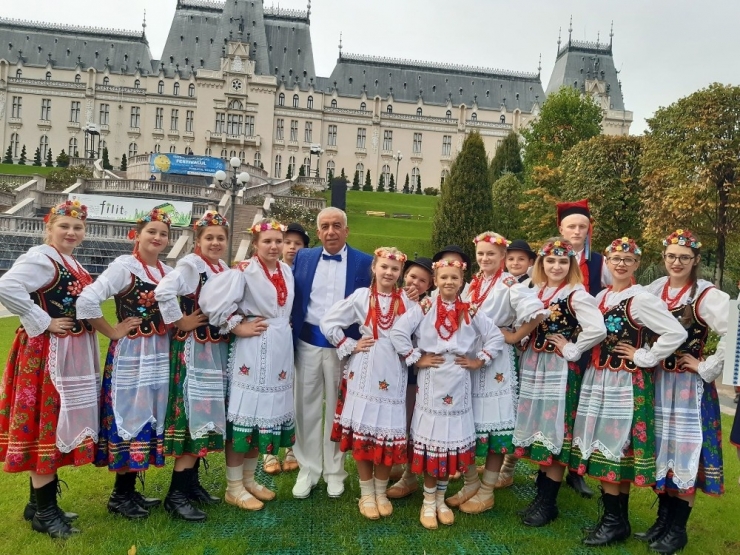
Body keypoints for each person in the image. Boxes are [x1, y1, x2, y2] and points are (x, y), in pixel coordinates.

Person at [570, 237, 688, 547]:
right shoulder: (600, 297)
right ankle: (616, 522)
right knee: (606, 447)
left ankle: (613, 523)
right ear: (606, 262)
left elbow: (675, 331)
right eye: (615, 258)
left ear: (636, 264)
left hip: (625, 381)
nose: (620, 263)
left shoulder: (641, 300)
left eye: (628, 259)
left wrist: (644, 356)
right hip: (599, 378)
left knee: (614, 444)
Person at [0, 201, 103, 538]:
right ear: (50, 228)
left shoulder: (66, 260)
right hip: (48, 353)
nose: (71, 232)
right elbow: (6, 286)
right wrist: (42, 321)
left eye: (77, 228)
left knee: (54, 419)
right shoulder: (41, 258)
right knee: (47, 423)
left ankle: (38, 505)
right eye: (64, 226)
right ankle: (45, 512)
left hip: (66, 351)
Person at [390, 256, 505, 530]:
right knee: (434, 440)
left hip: (459, 377)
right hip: (433, 377)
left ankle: (440, 499)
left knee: (450, 441)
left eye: (454, 277)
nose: (449, 282)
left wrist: (480, 359)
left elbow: (496, 336)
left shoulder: (471, 310)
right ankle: (428, 502)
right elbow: (398, 333)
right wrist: (416, 358)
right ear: (436, 280)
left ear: (462, 280)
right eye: (443, 277)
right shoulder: (425, 306)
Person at [77, 208, 173, 520]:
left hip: (159, 350)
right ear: (137, 234)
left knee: (149, 412)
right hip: (133, 352)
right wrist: (112, 330)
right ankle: (120, 496)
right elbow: (88, 300)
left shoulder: (165, 271)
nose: (157, 238)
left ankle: (130, 490)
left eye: (163, 234)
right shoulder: (125, 267)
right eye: (152, 232)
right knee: (130, 413)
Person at [641, 229, 728, 553]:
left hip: (689, 390)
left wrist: (706, 366)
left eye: (684, 258)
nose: (677, 262)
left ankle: (678, 529)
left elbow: (735, 329)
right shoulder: (653, 290)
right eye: (671, 256)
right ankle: (662, 521)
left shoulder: (705, 295)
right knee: (662, 449)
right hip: (659, 383)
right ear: (664, 258)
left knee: (686, 452)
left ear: (695, 261)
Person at [509, 238, 606, 527]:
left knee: (555, 428)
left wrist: (572, 348)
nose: (556, 266)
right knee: (539, 425)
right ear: (541, 264)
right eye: (550, 261)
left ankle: (548, 503)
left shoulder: (576, 295)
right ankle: (541, 498)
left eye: (563, 261)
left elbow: (597, 329)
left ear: (571, 265)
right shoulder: (535, 290)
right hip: (533, 365)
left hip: (558, 368)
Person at [199, 219, 295, 511]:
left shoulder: (286, 270)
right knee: (246, 415)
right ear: (256, 244)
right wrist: (235, 325)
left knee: (263, 417)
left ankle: (249, 480)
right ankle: (233, 487)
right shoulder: (243, 270)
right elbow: (211, 302)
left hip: (280, 349)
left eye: (278, 241)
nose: (274, 246)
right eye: (267, 241)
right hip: (253, 349)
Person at [444, 232, 538, 515]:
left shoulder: (508, 282)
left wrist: (514, 336)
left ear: (502, 257)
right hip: (470, 355)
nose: (485, 259)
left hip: (496, 360)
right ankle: (471, 482)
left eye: (491, 255)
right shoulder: (473, 283)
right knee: (467, 417)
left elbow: (536, 312)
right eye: (481, 254)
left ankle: (487, 490)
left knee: (494, 423)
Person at [320, 247, 411, 519]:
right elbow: (329, 322)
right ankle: (366, 492)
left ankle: (381, 491)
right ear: (374, 268)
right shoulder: (362, 297)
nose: (388, 272)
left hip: (393, 371)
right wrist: (349, 343)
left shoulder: (407, 301)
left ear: (400, 274)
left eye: (394, 269)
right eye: (384, 267)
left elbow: (422, 329)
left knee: (386, 433)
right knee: (364, 431)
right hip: (365, 367)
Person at [153, 211, 231, 521]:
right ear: (197, 241)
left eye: (220, 238)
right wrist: (179, 320)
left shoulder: (222, 268)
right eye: (209, 237)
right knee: (192, 416)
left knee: (206, 414)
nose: (215, 242)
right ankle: (176, 494)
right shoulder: (190, 266)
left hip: (214, 350)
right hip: (194, 350)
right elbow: (163, 291)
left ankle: (192, 483)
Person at [290, 207, 373, 499]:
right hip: (308, 342)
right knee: (306, 406)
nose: (330, 231)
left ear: (347, 230)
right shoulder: (303, 257)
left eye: (337, 225)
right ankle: (308, 469)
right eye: (324, 226)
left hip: (345, 348)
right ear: (318, 231)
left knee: (339, 411)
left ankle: (335, 471)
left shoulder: (366, 262)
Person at [556, 199, 611, 498]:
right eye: (572, 226)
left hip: (585, 346)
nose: (577, 231)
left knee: (579, 408)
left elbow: (618, 293)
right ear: (561, 228)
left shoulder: (600, 262)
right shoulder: (551, 257)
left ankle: (574, 470)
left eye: (582, 227)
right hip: (551, 347)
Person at [263, 222, 309, 476]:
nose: (291, 247)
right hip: (270, 340)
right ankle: (268, 451)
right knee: (270, 392)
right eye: (287, 242)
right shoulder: (264, 270)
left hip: (298, 340)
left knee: (295, 394)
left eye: (297, 243)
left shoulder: (304, 272)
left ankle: (292, 448)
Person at [386, 256, 434, 498]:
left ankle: (409, 474)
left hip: (414, 370)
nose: (416, 282)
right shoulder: (389, 295)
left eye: (423, 280)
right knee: (396, 419)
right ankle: (395, 462)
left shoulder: (429, 305)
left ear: (429, 286)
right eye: (413, 276)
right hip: (388, 368)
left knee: (412, 419)